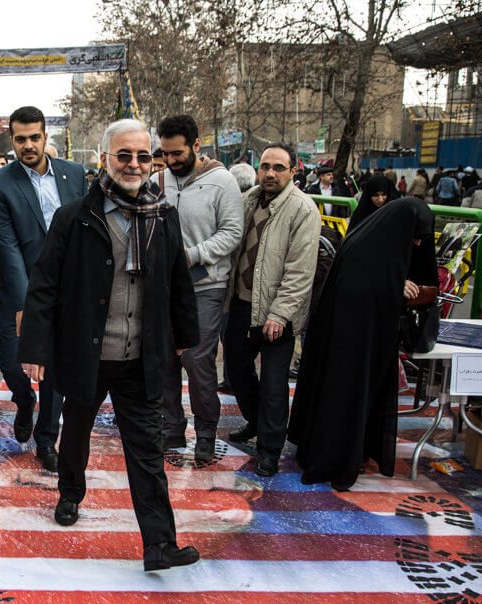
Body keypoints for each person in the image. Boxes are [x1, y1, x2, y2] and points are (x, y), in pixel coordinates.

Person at [18, 118, 200, 571]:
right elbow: (43, 287)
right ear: (104, 160)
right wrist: (36, 350)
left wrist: (184, 341)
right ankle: (70, 494)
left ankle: (159, 544)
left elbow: (179, 284)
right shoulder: (75, 217)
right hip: (88, 355)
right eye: (124, 155)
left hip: (140, 358)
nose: (135, 164)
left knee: (147, 450)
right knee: (75, 434)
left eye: (143, 156)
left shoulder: (164, 217)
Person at [289, 198, 437, 491]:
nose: (418, 243)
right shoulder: (367, 249)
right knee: (345, 397)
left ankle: (351, 450)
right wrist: (394, 287)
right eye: (415, 236)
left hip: (352, 346)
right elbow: (361, 291)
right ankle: (337, 458)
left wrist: (395, 284)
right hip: (348, 350)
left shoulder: (371, 238)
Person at [0, 105, 87, 472]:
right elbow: (7, 247)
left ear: (45, 137)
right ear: (12, 140)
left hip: (64, 286)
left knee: (54, 369)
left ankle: (46, 439)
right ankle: (24, 401)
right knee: (12, 364)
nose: (28, 145)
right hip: (16, 286)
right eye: (20, 139)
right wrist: (26, 305)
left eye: (34, 137)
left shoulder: (74, 174)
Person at [224, 142, 321, 477]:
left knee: (274, 383)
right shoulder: (248, 200)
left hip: (277, 313)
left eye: (279, 167)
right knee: (236, 370)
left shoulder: (303, 209)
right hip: (241, 303)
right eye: (265, 166)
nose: (270, 173)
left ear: (293, 171)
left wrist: (280, 314)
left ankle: (269, 448)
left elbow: (300, 270)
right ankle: (257, 420)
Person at [157, 114, 244, 463]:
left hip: (205, 286)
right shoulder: (158, 180)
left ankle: (206, 432)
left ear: (196, 145)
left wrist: (192, 255)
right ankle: (171, 427)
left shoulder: (223, 183)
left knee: (197, 361)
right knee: (164, 361)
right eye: (165, 153)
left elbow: (232, 233)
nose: (171, 161)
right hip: (164, 289)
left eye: (177, 153)